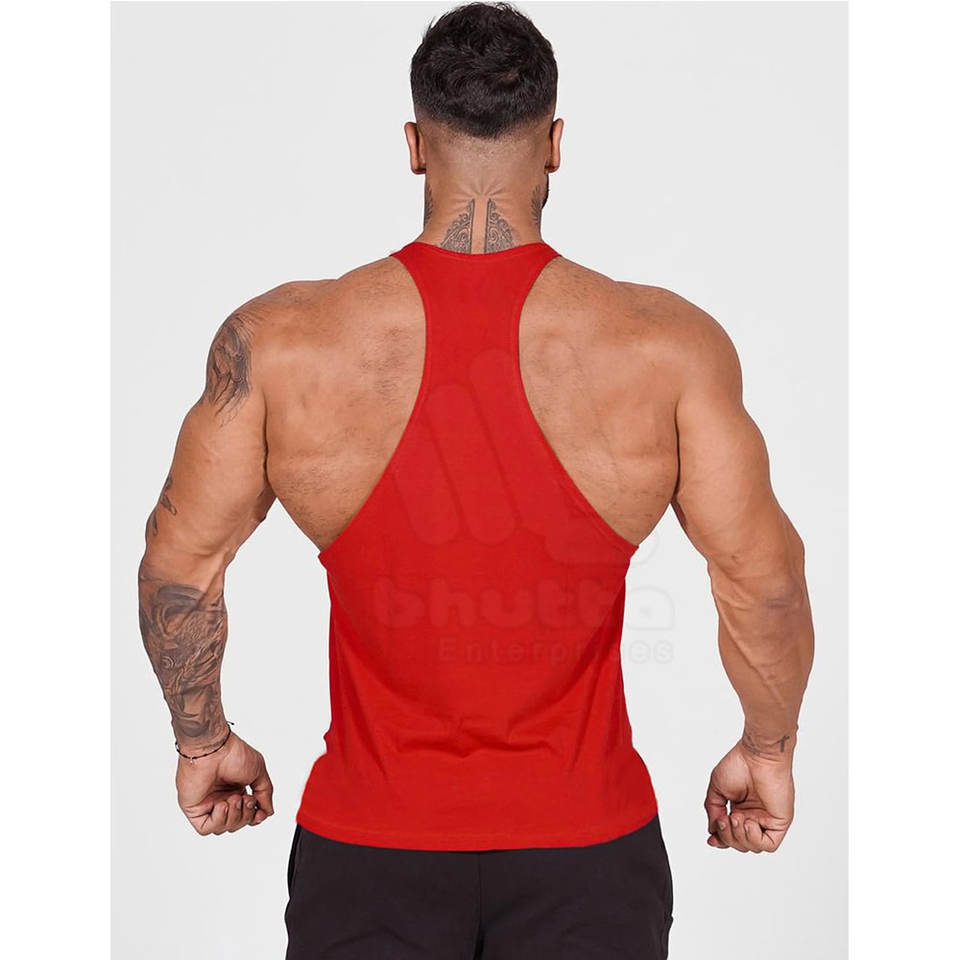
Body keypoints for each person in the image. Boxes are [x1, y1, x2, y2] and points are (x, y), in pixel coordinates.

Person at [138, 3, 814, 957]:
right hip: (589, 856)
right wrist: (768, 747)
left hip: (367, 857)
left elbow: (179, 567)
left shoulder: (280, 343)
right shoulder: (667, 349)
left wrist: (203, 743)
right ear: (556, 146)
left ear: (415, 147)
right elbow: (763, 580)